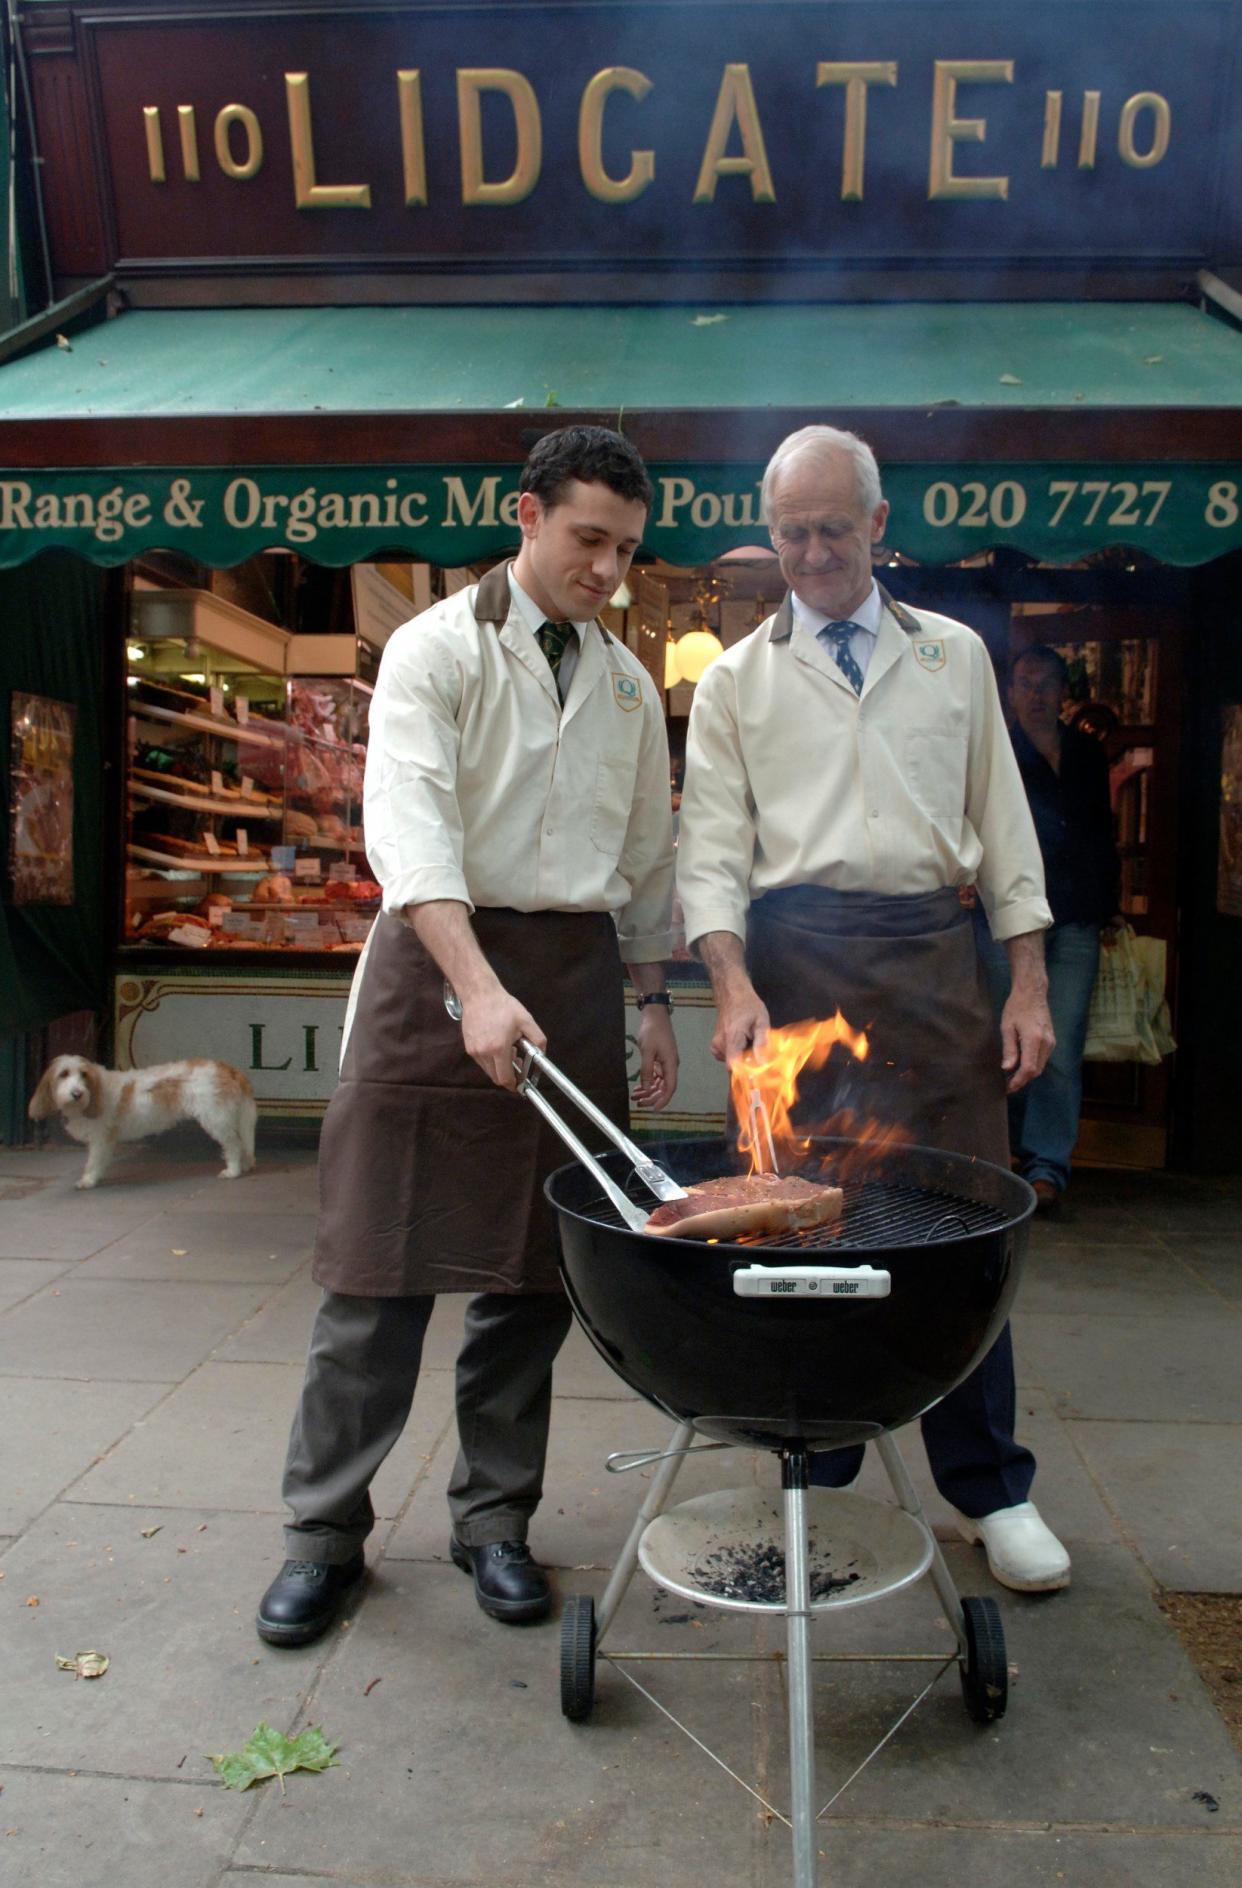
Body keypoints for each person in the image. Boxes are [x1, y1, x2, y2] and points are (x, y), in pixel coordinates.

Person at [257, 426, 679, 1647]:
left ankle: (494, 1519)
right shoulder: (435, 650)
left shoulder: (626, 684)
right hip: (433, 971)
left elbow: (645, 860)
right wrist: (477, 987)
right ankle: (323, 1534)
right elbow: (412, 832)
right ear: (528, 515)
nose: (608, 568)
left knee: (531, 1281)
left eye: (626, 549)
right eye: (589, 538)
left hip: (575, 975)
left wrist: (651, 998)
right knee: (371, 1274)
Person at [676, 423, 1070, 1593]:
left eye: (831, 529)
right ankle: (821, 1478)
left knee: (965, 1229)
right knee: (810, 1224)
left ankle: (992, 1486)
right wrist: (731, 981)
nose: (809, 554)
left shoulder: (952, 656)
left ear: (878, 527)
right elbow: (709, 853)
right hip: (795, 970)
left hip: (938, 965)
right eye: (790, 532)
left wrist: (1031, 984)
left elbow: (1007, 831)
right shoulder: (740, 678)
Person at [979, 644, 1122, 1214]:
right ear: (1009, 693)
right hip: (1007, 919)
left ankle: (1047, 1166)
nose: (1035, 695)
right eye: (1025, 684)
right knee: (1004, 1040)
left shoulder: (1086, 752)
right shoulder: (997, 751)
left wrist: (1108, 904)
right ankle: (1005, 1151)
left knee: (1060, 1044)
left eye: (1046, 684)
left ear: (1064, 692)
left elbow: (1101, 833)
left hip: (1074, 917)